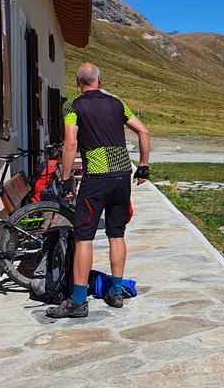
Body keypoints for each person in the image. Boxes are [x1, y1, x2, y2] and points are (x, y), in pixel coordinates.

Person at [46, 63, 151, 319]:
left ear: (77, 82)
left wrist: (65, 176)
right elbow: (144, 130)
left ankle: (78, 301)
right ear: (99, 80)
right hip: (122, 175)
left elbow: (71, 142)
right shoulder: (118, 104)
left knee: (84, 237)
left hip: (96, 178)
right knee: (117, 234)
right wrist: (144, 166)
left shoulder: (72, 107)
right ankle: (116, 292)